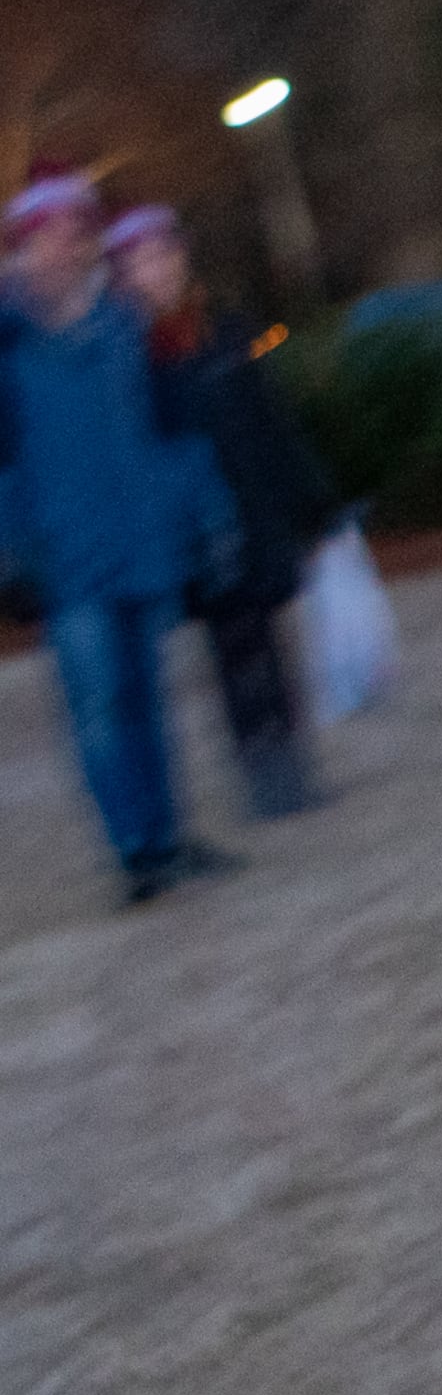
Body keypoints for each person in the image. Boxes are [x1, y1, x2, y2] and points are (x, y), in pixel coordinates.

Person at [0, 174, 241, 905]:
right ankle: (135, 851)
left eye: (79, 231)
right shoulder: (8, 346)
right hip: (68, 562)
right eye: (54, 234)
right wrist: (12, 554)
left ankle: (168, 836)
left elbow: (170, 434)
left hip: (142, 547)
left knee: (149, 700)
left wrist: (209, 519)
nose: (70, 245)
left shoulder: (124, 328)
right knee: (100, 709)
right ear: (24, 247)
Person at [106, 203, 340, 817]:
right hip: (200, 533)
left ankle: (291, 762)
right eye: (140, 263)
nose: (157, 271)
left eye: (164, 256)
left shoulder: (228, 333)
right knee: (236, 651)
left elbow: (271, 422)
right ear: (124, 276)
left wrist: (311, 499)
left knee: (270, 643)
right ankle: (264, 777)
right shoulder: (129, 355)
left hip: (256, 514)